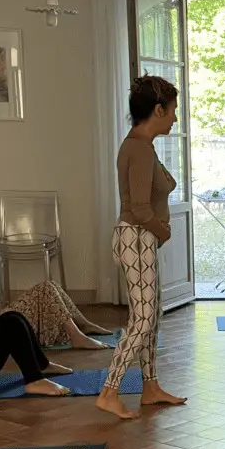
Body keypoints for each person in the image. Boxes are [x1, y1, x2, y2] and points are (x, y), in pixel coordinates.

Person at [98, 74, 187, 420]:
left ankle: (150, 386)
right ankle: (109, 390)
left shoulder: (142, 146)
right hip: (136, 237)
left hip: (140, 239)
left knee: (153, 316)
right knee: (143, 319)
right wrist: (161, 231)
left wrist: (156, 232)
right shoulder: (137, 148)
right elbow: (139, 208)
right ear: (158, 109)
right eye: (173, 111)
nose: (175, 118)